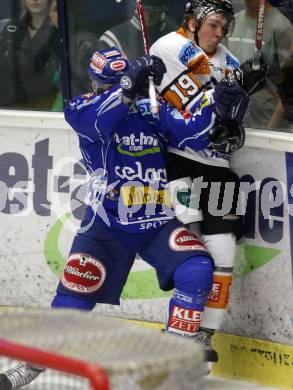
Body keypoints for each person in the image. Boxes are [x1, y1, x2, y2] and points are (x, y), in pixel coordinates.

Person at [0, 47, 250, 388]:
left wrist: (218, 110)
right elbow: (99, 120)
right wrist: (129, 86)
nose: (109, 88)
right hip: (106, 225)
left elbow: (192, 134)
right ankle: (30, 365)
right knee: (73, 299)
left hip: (155, 218)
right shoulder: (82, 107)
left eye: (116, 83)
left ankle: (175, 363)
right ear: (96, 81)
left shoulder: (152, 109)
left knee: (196, 269)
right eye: (106, 83)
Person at [150, 0, 267, 358]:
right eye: (213, 25)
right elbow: (190, 113)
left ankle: (204, 337)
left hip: (218, 169)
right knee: (193, 251)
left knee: (224, 253)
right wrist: (225, 96)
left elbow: (229, 124)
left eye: (224, 27)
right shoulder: (169, 47)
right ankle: (178, 332)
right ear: (193, 21)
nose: (219, 33)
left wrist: (241, 96)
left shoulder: (229, 61)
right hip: (181, 165)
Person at [225, 0, 293, 129]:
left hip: (264, 129)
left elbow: (289, 88)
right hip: (231, 125)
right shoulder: (233, 21)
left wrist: (269, 132)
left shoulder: (281, 27)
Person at [0, 0, 59, 109]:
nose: (35, 0)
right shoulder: (12, 27)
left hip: (45, 107)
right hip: (9, 106)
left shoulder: (58, 30)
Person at [97, 0, 175, 58]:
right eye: (144, 9)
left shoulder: (178, 36)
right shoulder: (113, 39)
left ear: (163, 9)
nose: (149, 15)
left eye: (155, 10)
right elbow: (102, 77)